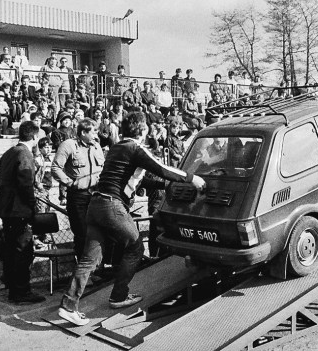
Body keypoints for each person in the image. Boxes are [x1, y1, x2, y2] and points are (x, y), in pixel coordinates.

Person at [57, 118, 206, 326]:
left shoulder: (117, 148)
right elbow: (161, 168)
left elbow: (140, 179)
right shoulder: (135, 148)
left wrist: (164, 185)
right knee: (135, 247)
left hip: (96, 204)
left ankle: (68, 305)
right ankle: (119, 296)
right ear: (142, 130)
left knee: (89, 258)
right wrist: (192, 178)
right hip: (112, 205)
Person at [0, 121, 45, 303]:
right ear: (35, 136)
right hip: (19, 209)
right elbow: (26, 184)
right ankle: (21, 292)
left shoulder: (10, 152)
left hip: (8, 209)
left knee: (12, 250)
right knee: (23, 252)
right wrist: (32, 206)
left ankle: (14, 288)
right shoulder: (24, 154)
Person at [52, 119, 104, 260]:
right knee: (82, 235)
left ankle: (97, 267)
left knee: (98, 234)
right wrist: (71, 183)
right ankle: (83, 269)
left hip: (96, 196)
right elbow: (56, 168)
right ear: (83, 133)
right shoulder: (68, 145)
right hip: (78, 197)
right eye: (93, 132)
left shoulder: (96, 146)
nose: (96, 135)